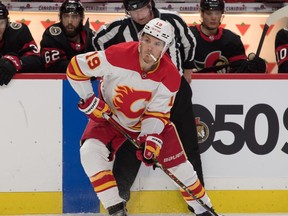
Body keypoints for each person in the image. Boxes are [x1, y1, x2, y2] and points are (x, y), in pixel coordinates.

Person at [66, 18, 221, 216]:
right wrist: (89, 98)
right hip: (110, 118)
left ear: (165, 48)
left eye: (157, 44)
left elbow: (157, 113)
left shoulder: (171, 76)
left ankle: (204, 209)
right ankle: (116, 209)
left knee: (181, 168)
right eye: (147, 40)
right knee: (89, 153)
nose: (150, 48)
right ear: (140, 39)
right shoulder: (116, 55)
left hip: (146, 123)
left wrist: (150, 139)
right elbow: (75, 68)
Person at [93, 0, 205, 207]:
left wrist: (187, 68)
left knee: (187, 144)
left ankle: (197, 203)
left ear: (150, 5)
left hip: (175, 91)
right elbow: (98, 43)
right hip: (142, 96)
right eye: (132, 10)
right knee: (131, 143)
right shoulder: (118, 28)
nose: (138, 14)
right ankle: (119, 201)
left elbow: (189, 42)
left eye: (142, 8)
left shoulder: (172, 20)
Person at [190, 0, 267, 73]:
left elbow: (240, 71)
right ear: (202, 14)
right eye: (209, 13)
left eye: (217, 13)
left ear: (222, 14)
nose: (213, 17)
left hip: (224, 86)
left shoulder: (232, 39)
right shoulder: (188, 36)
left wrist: (253, 66)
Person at [40, 0, 94, 73]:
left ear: (81, 18)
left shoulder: (90, 35)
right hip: (55, 83)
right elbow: (55, 66)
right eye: (66, 16)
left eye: (74, 17)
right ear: (61, 18)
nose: (69, 22)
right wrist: (84, 67)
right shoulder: (53, 34)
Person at [0, 1, 43, 86]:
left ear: (7, 23)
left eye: (1, 23)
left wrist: (14, 62)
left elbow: (36, 60)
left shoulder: (19, 32)